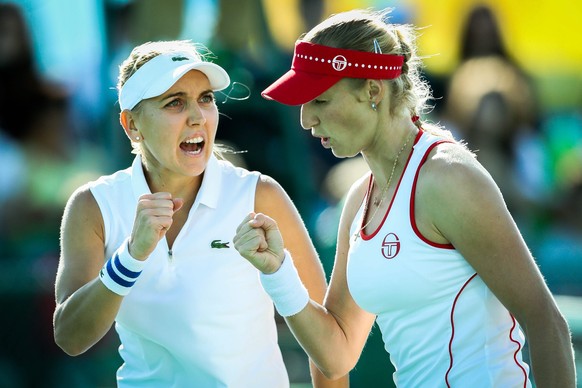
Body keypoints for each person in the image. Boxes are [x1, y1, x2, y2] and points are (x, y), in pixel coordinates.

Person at [233, 9, 577, 387]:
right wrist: (279, 271)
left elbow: (546, 322)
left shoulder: (448, 177)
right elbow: (336, 356)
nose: (305, 120)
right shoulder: (358, 200)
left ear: (373, 91)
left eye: (320, 101)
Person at [53, 40, 347, 387]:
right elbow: (70, 337)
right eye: (174, 103)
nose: (197, 117)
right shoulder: (93, 206)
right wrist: (130, 258)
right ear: (132, 125)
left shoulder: (259, 195)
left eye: (205, 99)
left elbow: (326, 346)